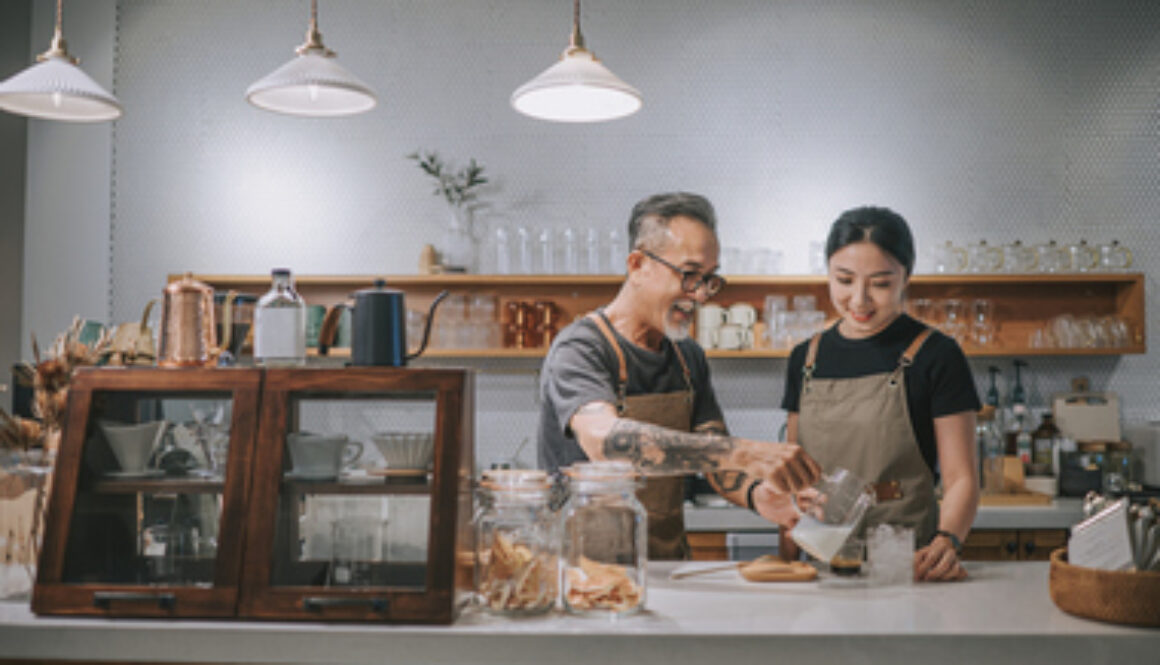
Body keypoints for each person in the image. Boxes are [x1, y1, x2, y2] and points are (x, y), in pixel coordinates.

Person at [537, 192, 821, 560]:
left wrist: (758, 495)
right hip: (582, 574)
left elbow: (716, 458)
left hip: (666, 566)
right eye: (689, 276)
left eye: (709, 279)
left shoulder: (687, 357)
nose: (701, 296)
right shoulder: (581, 348)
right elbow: (604, 442)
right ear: (638, 265)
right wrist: (747, 451)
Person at [781, 206, 980, 581]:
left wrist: (948, 539)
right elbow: (795, 473)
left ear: (907, 277)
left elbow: (961, 478)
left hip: (905, 558)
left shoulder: (937, 355)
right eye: (844, 280)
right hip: (818, 558)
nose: (859, 299)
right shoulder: (804, 358)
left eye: (881, 283)